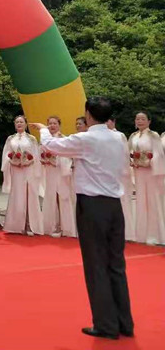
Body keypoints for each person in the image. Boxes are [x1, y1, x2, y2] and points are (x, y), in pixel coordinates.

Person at [32, 97, 134, 340]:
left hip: (93, 205)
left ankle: (106, 324)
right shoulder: (118, 138)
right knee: (116, 264)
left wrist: (44, 129)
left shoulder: (86, 139)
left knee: (96, 264)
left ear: (88, 114)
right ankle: (124, 322)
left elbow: (52, 146)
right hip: (114, 204)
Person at [1, 115, 44, 236]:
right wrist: (12, 160)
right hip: (16, 170)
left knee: (29, 195)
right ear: (15, 125)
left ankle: (30, 224)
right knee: (17, 195)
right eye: (17, 122)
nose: (19, 124)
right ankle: (16, 225)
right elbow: (6, 154)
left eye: (21, 122)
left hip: (28, 169)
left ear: (25, 124)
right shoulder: (10, 139)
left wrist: (29, 161)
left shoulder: (31, 138)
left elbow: (36, 155)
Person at [127, 111, 165, 245]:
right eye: (137, 119)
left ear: (149, 121)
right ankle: (141, 234)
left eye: (143, 119)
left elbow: (158, 154)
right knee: (141, 200)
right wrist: (132, 161)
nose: (139, 121)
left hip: (151, 172)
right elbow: (129, 152)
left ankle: (155, 235)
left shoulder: (153, 135)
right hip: (138, 171)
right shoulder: (133, 136)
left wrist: (149, 162)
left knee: (152, 201)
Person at [40, 116, 76, 238]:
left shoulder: (64, 139)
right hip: (50, 172)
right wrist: (45, 159)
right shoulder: (45, 141)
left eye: (54, 123)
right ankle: (53, 224)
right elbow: (40, 155)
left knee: (63, 197)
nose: (52, 125)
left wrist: (57, 161)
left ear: (59, 125)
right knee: (52, 197)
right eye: (50, 123)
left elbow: (68, 156)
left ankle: (65, 226)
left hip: (61, 172)